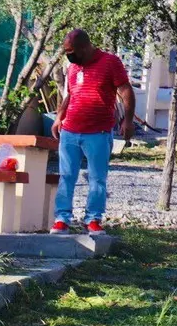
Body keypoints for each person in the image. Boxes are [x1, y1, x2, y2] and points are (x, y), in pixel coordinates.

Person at [50, 29, 135, 235]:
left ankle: (93, 220)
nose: (68, 55)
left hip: (98, 132)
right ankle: (62, 219)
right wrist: (59, 117)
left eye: (71, 51)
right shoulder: (73, 67)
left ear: (84, 47)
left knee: (97, 178)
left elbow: (126, 91)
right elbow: (70, 95)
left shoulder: (110, 62)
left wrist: (128, 120)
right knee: (66, 176)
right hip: (70, 132)